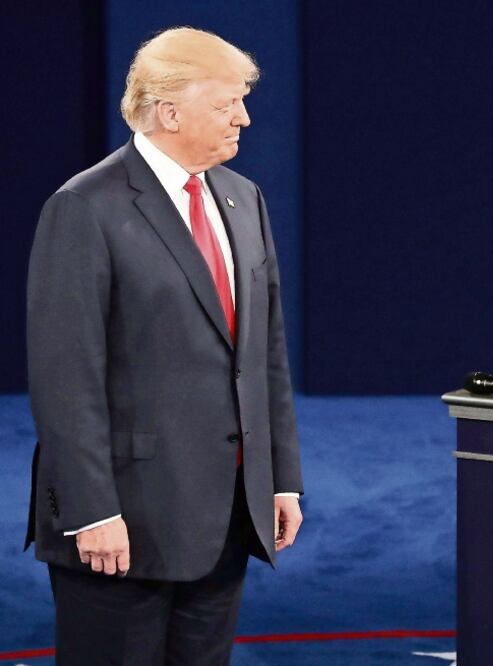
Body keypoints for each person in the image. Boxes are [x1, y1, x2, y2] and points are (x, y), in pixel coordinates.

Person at [25, 27, 304, 665]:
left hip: (227, 516)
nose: (245, 117)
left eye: (243, 100)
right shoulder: (84, 207)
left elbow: (265, 354)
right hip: (124, 523)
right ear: (169, 111)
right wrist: (91, 509)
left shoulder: (242, 198)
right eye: (227, 103)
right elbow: (66, 376)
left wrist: (280, 478)